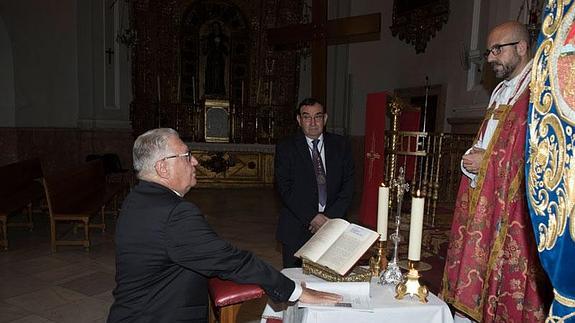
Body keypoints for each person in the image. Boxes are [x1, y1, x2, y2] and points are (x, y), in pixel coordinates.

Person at [107, 128, 341, 323]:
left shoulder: (137, 199)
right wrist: (296, 292)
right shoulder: (175, 213)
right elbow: (232, 261)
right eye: (187, 156)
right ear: (163, 168)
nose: (195, 161)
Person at [441, 21, 549, 322]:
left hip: (515, 209)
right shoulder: (502, 91)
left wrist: (485, 162)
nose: (489, 58)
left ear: (522, 48)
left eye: (496, 50)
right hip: (487, 197)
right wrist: (472, 158)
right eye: (489, 51)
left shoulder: (539, 91)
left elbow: (533, 155)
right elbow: (489, 139)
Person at [275, 98, 354, 268]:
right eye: (306, 117)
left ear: (325, 119)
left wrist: (329, 219)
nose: (312, 123)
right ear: (299, 120)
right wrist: (312, 217)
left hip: (334, 226)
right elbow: (284, 189)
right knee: (296, 283)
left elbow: (348, 186)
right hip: (297, 227)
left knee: (330, 281)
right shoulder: (286, 148)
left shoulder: (341, 145)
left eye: (317, 117)